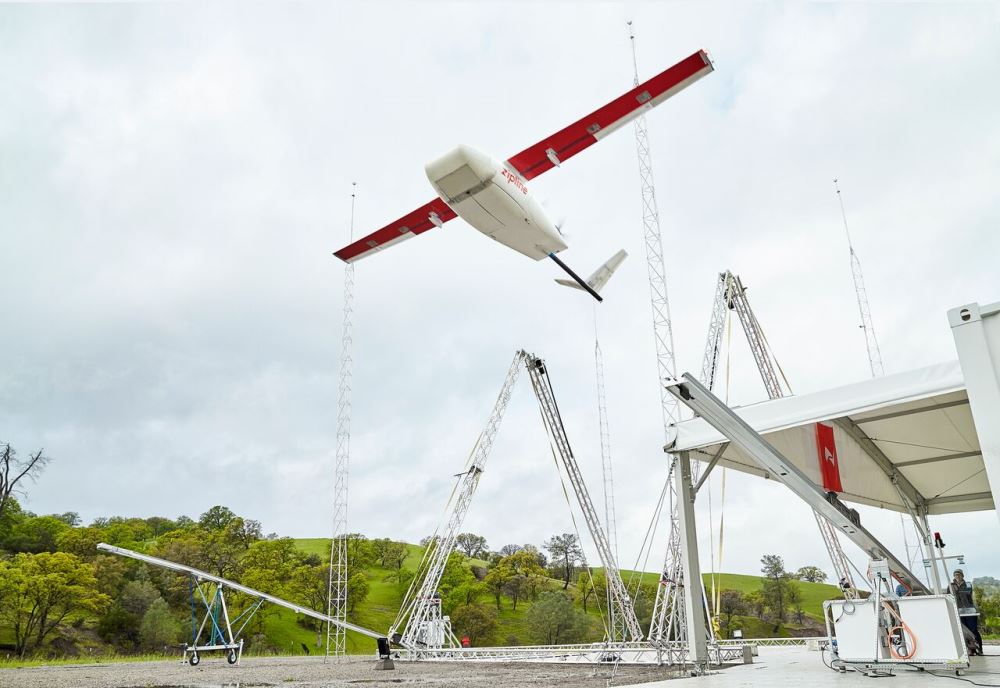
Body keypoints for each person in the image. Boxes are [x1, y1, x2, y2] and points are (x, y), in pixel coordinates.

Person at [950, 569, 983, 656]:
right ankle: (971, 650)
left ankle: (979, 648)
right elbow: (949, 597)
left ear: (962, 576)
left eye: (959, 574)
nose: (957, 576)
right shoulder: (951, 586)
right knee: (965, 632)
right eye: (956, 575)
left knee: (973, 630)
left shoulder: (968, 584)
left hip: (970, 610)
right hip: (959, 611)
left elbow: (971, 596)